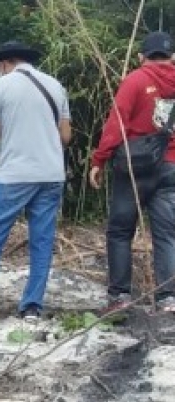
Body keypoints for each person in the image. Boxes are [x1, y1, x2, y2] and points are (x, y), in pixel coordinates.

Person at [0, 41, 72, 330]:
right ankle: (32, 307)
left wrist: (3, 131)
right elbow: (66, 136)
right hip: (51, 174)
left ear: (3, 63)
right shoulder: (55, 86)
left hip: (14, 175)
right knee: (42, 240)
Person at [90, 31, 175, 313]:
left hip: (135, 167)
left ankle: (121, 297)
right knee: (166, 233)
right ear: (172, 57)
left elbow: (117, 125)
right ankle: (167, 298)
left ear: (141, 57)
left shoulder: (135, 80)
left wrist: (99, 160)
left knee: (119, 231)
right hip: (171, 165)